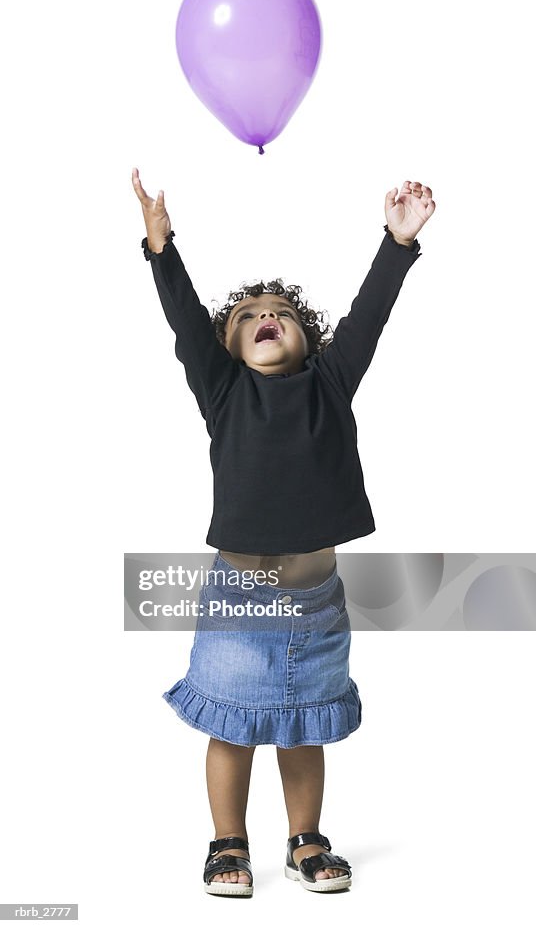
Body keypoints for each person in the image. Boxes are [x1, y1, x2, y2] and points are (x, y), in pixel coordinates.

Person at [132, 167, 435, 895]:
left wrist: (397, 242)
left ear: (308, 339)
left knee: (305, 728)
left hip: (316, 605)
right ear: (228, 349)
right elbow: (184, 324)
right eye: (246, 316)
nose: (264, 316)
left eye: (280, 313)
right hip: (238, 601)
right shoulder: (224, 392)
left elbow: (370, 316)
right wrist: (161, 247)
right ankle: (228, 845)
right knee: (232, 725)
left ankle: (306, 839)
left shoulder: (329, 384)